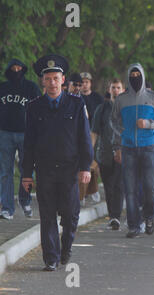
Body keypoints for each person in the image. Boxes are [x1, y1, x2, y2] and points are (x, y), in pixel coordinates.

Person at [22, 54, 93, 271]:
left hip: (69, 169)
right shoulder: (34, 107)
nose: (52, 83)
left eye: (56, 78)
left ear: (63, 80)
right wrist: (26, 173)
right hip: (44, 170)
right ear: (42, 81)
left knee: (71, 214)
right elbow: (29, 142)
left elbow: (84, 138)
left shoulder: (76, 104)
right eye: (48, 79)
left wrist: (85, 166)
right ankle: (50, 258)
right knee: (47, 214)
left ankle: (66, 247)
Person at [111, 63, 154, 238]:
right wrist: (122, 133)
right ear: (128, 77)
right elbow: (113, 120)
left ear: (143, 76)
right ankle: (133, 225)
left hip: (149, 147)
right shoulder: (121, 99)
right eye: (132, 75)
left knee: (150, 186)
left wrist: (149, 124)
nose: (135, 77)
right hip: (128, 147)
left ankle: (149, 217)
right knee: (130, 188)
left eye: (138, 75)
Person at [0, 59, 41, 220]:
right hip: (4, 134)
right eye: (13, 69)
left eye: (19, 68)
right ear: (8, 70)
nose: (16, 71)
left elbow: (39, 110)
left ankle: (25, 200)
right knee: (5, 172)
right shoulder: (2, 88)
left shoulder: (31, 87)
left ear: (23, 70)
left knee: (27, 170)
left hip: (26, 134)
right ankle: (7, 208)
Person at [91, 78, 125, 230]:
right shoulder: (102, 109)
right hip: (104, 154)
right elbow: (94, 133)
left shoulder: (127, 109)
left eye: (118, 87)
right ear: (109, 90)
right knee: (108, 186)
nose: (116, 90)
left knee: (119, 185)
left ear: (123, 90)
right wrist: (90, 155)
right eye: (113, 88)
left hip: (123, 153)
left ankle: (116, 216)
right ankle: (112, 215)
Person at [80, 72, 103, 204]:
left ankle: (93, 189)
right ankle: (84, 191)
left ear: (90, 83)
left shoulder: (97, 98)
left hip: (95, 133)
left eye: (87, 82)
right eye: (82, 82)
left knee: (95, 163)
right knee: (83, 163)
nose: (84, 84)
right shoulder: (76, 97)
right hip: (81, 134)